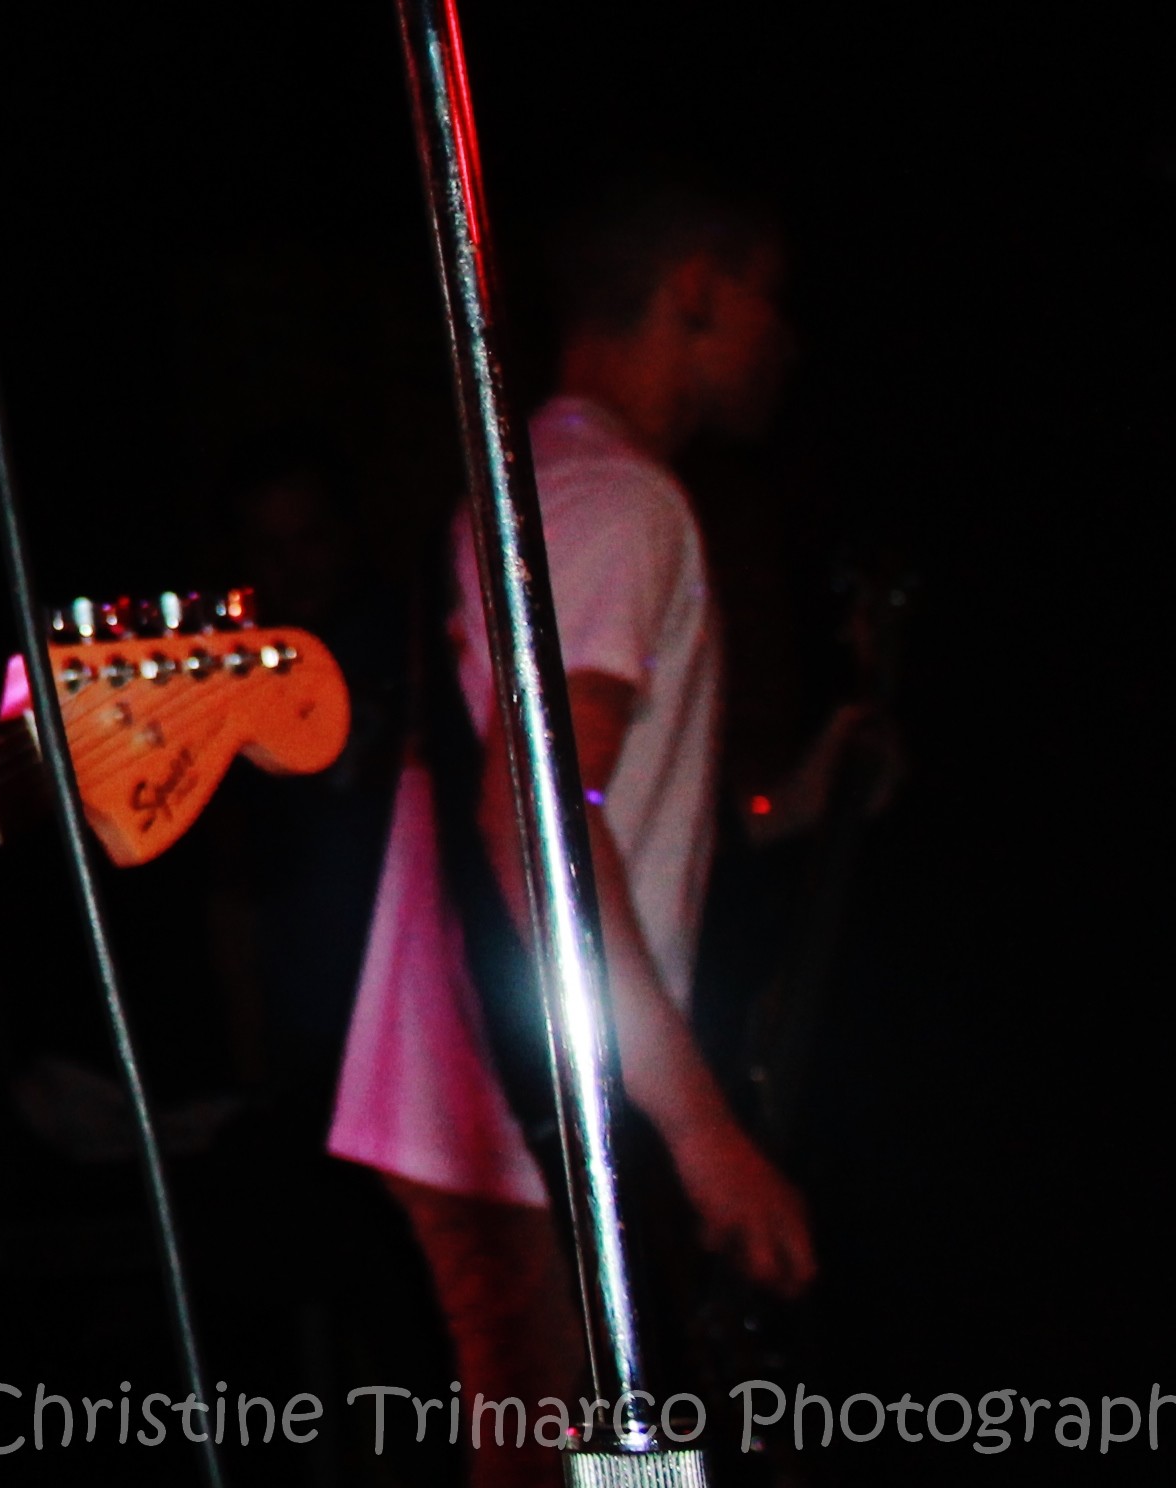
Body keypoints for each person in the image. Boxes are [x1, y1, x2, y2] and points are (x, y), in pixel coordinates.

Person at [328, 173, 821, 1484]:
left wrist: (799, 801)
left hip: (491, 1093)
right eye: (767, 299)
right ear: (696, 291)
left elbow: (577, 802)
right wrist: (705, 1136)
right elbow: (531, 817)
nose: (786, 339)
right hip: (525, 1119)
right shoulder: (619, 499)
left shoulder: (545, 476)